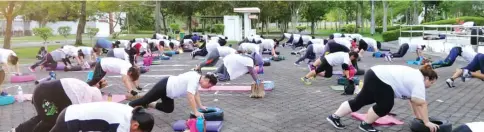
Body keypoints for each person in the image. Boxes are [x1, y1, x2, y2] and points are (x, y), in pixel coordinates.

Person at [326, 64, 439, 132]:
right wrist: (427, 122)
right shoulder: (419, 81)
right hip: (381, 78)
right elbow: (422, 103)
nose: (431, 86)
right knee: (385, 105)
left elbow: (414, 102)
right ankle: (366, 125)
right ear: (427, 78)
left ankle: (334, 117)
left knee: (360, 100)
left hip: (374, 73)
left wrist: (419, 119)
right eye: (432, 83)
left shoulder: (416, 76)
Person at [14, 78, 106, 132]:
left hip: (43, 92)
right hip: (44, 94)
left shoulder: (82, 88)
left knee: (45, 118)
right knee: (50, 122)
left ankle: (17, 130)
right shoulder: (84, 99)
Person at [128, 71, 217, 116]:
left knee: (168, 108)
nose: (208, 88)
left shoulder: (198, 80)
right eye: (209, 86)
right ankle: (127, 106)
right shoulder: (194, 79)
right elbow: (190, 97)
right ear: (207, 80)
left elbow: (196, 93)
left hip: (169, 92)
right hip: (165, 85)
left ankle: (149, 104)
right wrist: (195, 112)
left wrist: (200, 106)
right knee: (144, 100)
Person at [49, 102, 154, 132]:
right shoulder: (121, 124)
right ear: (135, 125)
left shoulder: (131, 112)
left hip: (71, 113)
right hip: (70, 121)